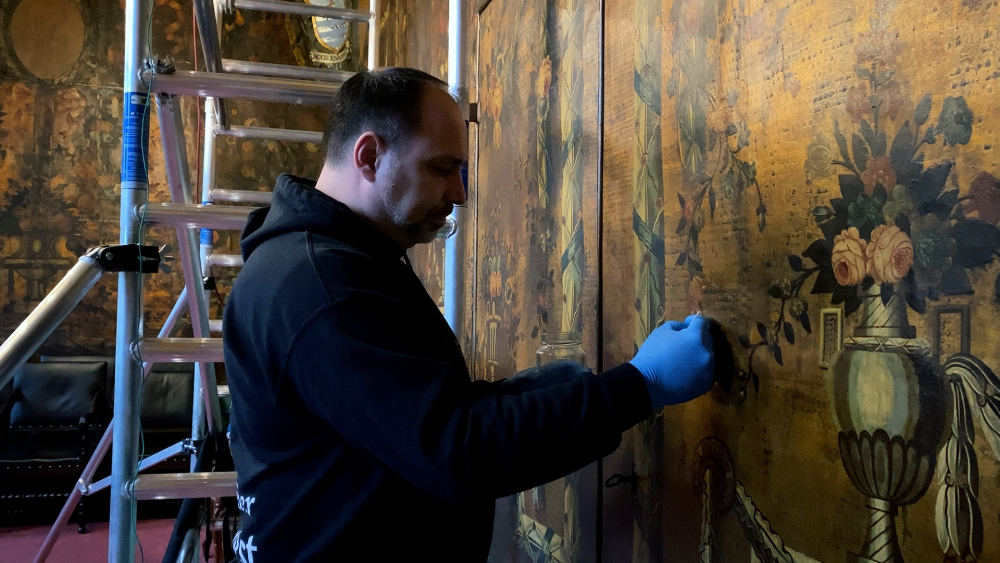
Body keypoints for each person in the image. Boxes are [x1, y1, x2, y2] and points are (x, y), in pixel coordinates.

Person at [222, 67, 716, 562]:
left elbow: (404, 417)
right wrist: (641, 385)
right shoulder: (318, 286)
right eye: (441, 168)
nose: (458, 194)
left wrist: (521, 396)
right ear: (369, 156)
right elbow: (456, 451)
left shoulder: (330, 262)